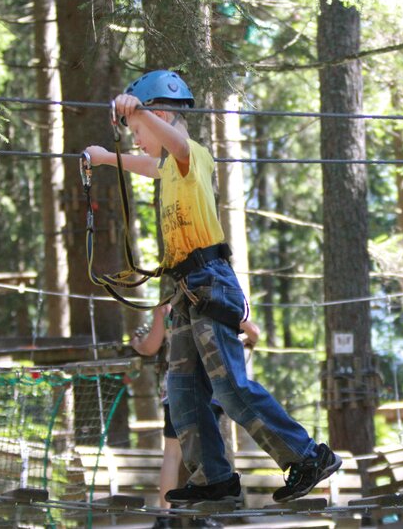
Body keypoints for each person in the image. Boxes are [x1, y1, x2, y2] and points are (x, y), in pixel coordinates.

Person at [85, 69, 340, 506]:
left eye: (139, 131)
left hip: (209, 280)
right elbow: (149, 164)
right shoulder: (167, 166)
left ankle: (307, 455)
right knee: (183, 392)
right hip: (184, 288)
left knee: (229, 386)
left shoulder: (192, 154)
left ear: (160, 113)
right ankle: (214, 477)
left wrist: (138, 111)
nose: (138, 140)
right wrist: (108, 158)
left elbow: (175, 146)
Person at [132, 305, 259, 528]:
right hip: (210, 389)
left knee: (172, 455)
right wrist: (244, 342)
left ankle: (164, 517)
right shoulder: (216, 303)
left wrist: (136, 343)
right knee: (206, 454)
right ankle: (202, 515)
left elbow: (150, 347)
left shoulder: (168, 308)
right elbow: (255, 333)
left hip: (177, 390)